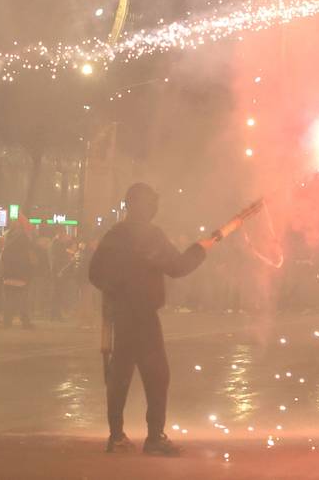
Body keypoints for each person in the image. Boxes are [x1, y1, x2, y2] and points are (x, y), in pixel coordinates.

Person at [88, 183, 238, 456]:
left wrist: (115, 289)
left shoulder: (114, 235)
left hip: (121, 316)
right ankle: (154, 437)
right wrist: (201, 249)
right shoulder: (150, 236)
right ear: (145, 206)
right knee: (157, 376)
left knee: (119, 375)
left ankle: (116, 435)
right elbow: (178, 267)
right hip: (143, 316)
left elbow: (95, 273)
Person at [0, 217, 35, 329]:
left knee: (9, 299)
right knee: (22, 299)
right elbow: (29, 257)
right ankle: (24, 321)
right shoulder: (23, 240)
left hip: (8, 274)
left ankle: (7, 321)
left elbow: (3, 258)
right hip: (21, 274)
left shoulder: (7, 239)